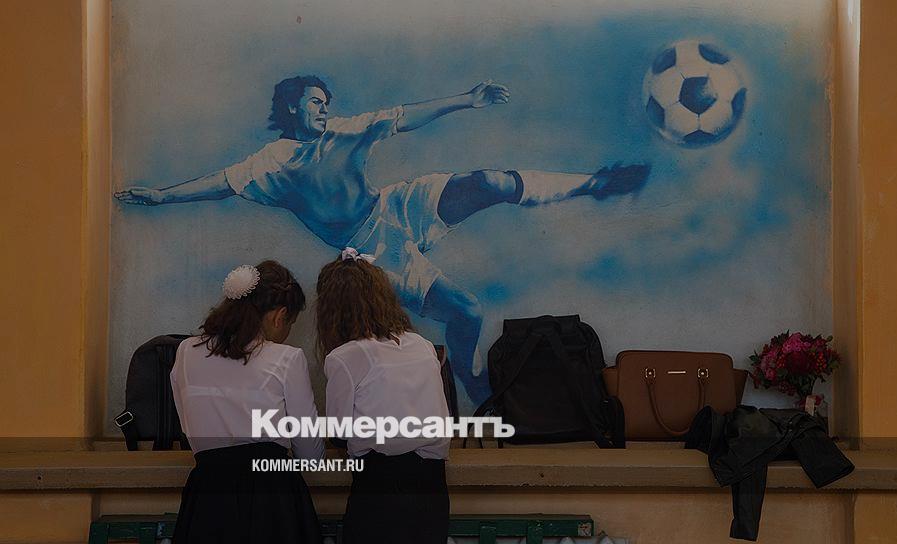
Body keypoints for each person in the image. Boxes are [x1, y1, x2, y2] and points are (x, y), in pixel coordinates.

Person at [115, 75, 650, 406]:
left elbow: (402, 118)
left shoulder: (344, 131)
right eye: (315, 102)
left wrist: (467, 99)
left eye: (326, 102)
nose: (324, 109)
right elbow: (220, 184)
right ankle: (471, 378)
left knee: (489, 181)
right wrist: (161, 196)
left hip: (396, 205)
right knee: (467, 311)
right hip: (371, 247)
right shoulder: (271, 164)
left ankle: (592, 183)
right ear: (292, 108)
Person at [170, 260, 324, 543]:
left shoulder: (185, 352)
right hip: (272, 500)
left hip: (208, 496)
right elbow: (311, 456)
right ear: (280, 316)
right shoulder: (287, 358)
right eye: (290, 323)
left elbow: (187, 426)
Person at [317, 248, 451, 544]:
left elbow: (339, 433)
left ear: (332, 309)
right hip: (432, 487)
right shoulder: (423, 345)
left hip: (378, 486)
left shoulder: (344, 357)